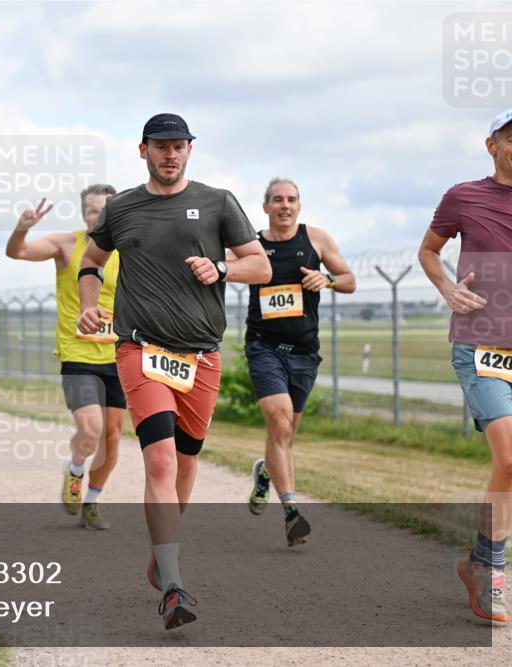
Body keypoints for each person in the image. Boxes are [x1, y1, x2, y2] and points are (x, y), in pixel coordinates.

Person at [77, 113, 270, 629]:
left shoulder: (219, 202)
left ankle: (163, 552)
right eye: (160, 146)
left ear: (189, 150)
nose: (170, 154)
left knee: (185, 466)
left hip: (202, 356)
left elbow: (262, 266)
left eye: (179, 146)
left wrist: (223, 268)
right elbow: (91, 260)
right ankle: (175, 585)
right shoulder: (121, 208)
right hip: (140, 350)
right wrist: (89, 303)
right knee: (160, 462)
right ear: (143, 150)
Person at [418, 108, 512, 624]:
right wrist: (447, 288)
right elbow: (429, 251)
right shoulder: (463, 196)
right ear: (491, 144)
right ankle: (495, 572)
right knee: (510, 458)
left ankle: (478, 559)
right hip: (481, 346)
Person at [243, 178, 356, 546]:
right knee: (278, 419)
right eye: (277, 200)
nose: (285, 205)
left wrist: (327, 281)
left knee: (285, 433)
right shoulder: (253, 244)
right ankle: (291, 509)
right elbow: (228, 269)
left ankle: (265, 473)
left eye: (291, 199)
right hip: (264, 347)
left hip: (305, 352)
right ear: (266, 207)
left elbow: (349, 280)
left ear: (299, 206)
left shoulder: (316, 239)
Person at [5, 185, 124, 530]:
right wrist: (22, 227)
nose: (96, 216)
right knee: (91, 429)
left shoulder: (127, 250)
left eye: (103, 210)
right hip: (77, 353)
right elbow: (18, 252)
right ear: (82, 213)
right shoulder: (67, 244)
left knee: (112, 437)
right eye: (90, 210)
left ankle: (92, 500)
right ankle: (74, 469)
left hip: (117, 355)